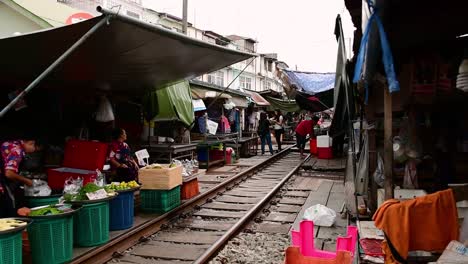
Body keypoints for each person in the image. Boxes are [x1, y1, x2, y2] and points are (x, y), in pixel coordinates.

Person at [0, 139, 36, 217]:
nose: (34, 149)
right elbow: (8, 173)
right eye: (33, 145)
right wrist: (26, 180)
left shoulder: (10, 143)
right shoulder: (17, 150)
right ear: (28, 143)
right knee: (6, 210)